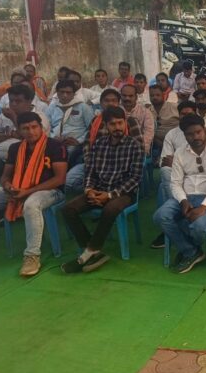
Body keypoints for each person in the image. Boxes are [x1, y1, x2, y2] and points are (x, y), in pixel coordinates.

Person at [61, 106, 144, 274]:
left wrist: (110, 195)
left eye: (120, 123)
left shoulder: (134, 145)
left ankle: (87, 253)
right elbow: (90, 171)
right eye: (112, 124)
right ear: (106, 126)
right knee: (68, 209)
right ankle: (94, 251)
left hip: (123, 192)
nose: (117, 127)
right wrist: (89, 190)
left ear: (125, 123)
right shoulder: (99, 144)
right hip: (99, 189)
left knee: (110, 209)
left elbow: (135, 178)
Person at [0, 112, 66, 276]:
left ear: (41, 127)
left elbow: (59, 179)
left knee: (31, 204)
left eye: (34, 127)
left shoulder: (55, 146)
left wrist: (27, 192)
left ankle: (32, 255)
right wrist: (8, 187)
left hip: (51, 192)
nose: (31, 132)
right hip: (18, 190)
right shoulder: (15, 148)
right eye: (25, 128)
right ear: (19, 130)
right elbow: (5, 177)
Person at [153, 114, 206, 273]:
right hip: (186, 197)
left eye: (198, 132)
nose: (196, 137)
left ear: (205, 130)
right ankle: (191, 251)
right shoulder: (180, 153)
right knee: (160, 216)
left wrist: (204, 207)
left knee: (198, 226)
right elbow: (175, 183)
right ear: (184, 135)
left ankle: (187, 248)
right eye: (190, 134)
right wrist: (183, 201)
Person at [65, 88, 143, 193]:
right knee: (69, 182)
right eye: (107, 100)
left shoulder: (129, 121)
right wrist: (89, 162)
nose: (110, 103)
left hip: (122, 166)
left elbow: (140, 146)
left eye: (114, 100)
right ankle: (96, 191)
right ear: (101, 103)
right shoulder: (95, 121)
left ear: (119, 103)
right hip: (96, 164)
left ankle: (105, 192)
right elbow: (87, 143)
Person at [0, 84, 50, 161]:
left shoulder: (39, 117)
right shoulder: (5, 115)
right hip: (1, 159)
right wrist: (12, 134)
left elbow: (31, 139)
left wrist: (13, 118)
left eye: (18, 101)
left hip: (29, 159)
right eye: (11, 101)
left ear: (29, 101)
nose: (13, 104)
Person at [46, 79, 95, 167]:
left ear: (73, 94)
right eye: (62, 92)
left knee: (68, 153)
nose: (65, 95)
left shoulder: (83, 107)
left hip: (75, 144)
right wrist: (52, 138)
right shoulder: (52, 107)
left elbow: (92, 128)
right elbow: (46, 127)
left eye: (68, 92)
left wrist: (79, 141)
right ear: (57, 93)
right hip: (54, 142)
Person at [120, 84, 154, 154]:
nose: (127, 98)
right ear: (120, 96)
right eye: (124, 95)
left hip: (138, 149)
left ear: (136, 97)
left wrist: (140, 150)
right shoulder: (116, 111)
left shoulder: (145, 112)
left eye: (130, 96)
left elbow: (148, 134)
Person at [151, 83, 180, 150]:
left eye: (158, 95)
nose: (155, 97)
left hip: (176, 143)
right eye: (152, 95)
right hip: (155, 145)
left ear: (163, 95)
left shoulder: (174, 107)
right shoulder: (147, 111)